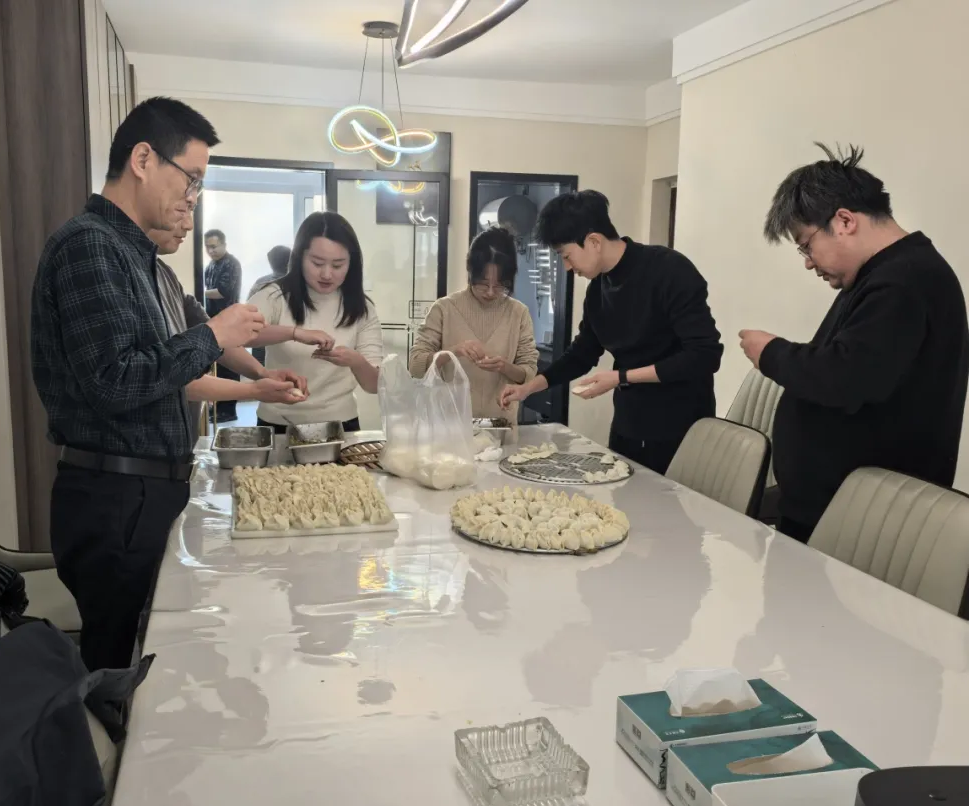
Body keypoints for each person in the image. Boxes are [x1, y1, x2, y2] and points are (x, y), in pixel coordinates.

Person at [31, 97, 265, 670]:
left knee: (149, 658)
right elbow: (114, 382)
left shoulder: (134, 257)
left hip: (139, 492)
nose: (193, 198)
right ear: (142, 159)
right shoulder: (89, 245)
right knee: (119, 671)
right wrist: (212, 336)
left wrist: (243, 358)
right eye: (191, 178)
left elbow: (155, 366)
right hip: (115, 497)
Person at [740, 143, 969, 543]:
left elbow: (845, 378)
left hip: (868, 521)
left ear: (844, 220)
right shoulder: (883, 274)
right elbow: (855, 363)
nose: (808, 261)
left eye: (806, 244)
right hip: (843, 508)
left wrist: (772, 353)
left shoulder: (904, 281)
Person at [499, 190, 723, 474]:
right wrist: (529, 387)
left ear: (594, 241)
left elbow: (704, 355)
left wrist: (620, 377)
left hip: (680, 427)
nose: (567, 267)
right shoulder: (598, 290)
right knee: (623, 494)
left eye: (567, 256)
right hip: (629, 424)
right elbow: (582, 354)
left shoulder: (669, 270)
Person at [149, 212, 308, 436]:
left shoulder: (166, 274)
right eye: (181, 209)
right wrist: (255, 387)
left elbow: (216, 335)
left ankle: (227, 410)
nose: (188, 225)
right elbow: (166, 378)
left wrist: (262, 374)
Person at [246, 211, 383, 432]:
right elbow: (235, 337)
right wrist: (294, 333)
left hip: (340, 424)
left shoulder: (361, 308)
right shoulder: (274, 296)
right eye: (317, 263)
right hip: (279, 422)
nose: (327, 274)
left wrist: (355, 361)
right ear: (299, 257)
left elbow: (373, 385)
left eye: (338, 265)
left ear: (352, 263)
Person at [409, 226, 539, 423]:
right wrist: (452, 352)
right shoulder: (444, 309)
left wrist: (505, 367)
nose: (490, 292)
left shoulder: (518, 313)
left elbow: (528, 374)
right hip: (449, 426)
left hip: (499, 426)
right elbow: (416, 366)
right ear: (471, 272)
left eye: (499, 285)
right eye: (483, 283)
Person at [204, 229, 243, 421]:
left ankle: (228, 411)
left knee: (231, 366)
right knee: (218, 366)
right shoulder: (210, 266)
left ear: (224, 244)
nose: (211, 250)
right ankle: (219, 407)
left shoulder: (231, 264)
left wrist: (198, 292)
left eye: (214, 246)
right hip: (214, 322)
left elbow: (223, 292)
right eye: (208, 247)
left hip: (230, 322)